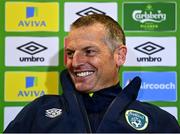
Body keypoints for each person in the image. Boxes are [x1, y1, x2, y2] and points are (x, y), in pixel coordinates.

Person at [4, 14, 180, 133]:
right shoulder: (38, 112)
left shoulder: (159, 122)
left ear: (120, 55)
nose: (76, 62)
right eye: (71, 53)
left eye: (89, 51)